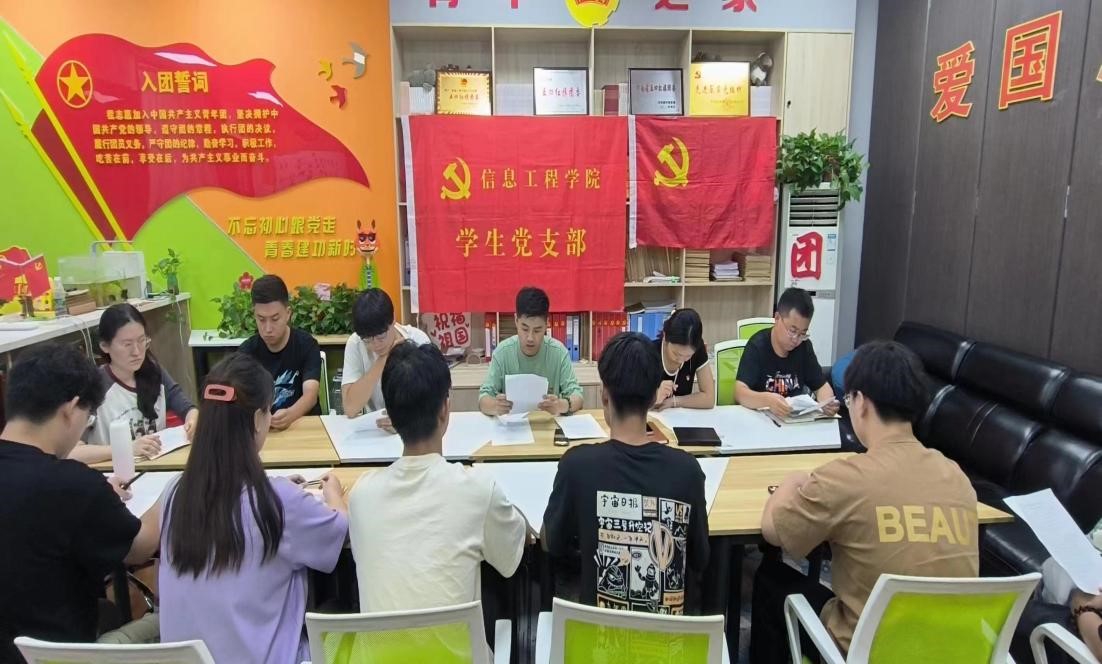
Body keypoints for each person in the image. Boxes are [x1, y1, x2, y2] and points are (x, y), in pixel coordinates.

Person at [752, 340, 978, 661]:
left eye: (849, 398)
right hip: (949, 651)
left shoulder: (846, 478)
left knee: (771, 580)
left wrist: (791, 482)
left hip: (868, 651)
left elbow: (774, 532)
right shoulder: (957, 478)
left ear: (862, 403)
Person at [158, 353, 347, 664]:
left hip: (189, 660)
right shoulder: (276, 501)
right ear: (259, 419)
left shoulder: (175, 493)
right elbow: (336, 533)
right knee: (340, 607)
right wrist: (334, 495)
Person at [0, 343, 160, 661]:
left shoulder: (74, 486)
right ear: (71, 409)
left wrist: (96, 497)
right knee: (164, 622)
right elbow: (140, 547)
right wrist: (166, 494)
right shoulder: (72, 484)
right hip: (53, 654)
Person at [349, 342, 529, 611]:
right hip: (460, 641)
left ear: (391, 416)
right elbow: (510, 558)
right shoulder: (478, 490)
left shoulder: (361, 496)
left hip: (381, 641)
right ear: (445, 410)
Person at [543, 332, 709, 614]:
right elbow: (700, 559)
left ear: (604, 396)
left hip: (597, 639)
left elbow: (552, 544)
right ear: (653, 396)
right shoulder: (688, 471)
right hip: (669, 640)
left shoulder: (577, 466)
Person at [69, 303, 198, 464]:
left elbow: (188, 409)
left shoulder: (154, 372)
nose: (136, 352)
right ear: (105, 346)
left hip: (158, 468)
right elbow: (71, 452)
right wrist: (125, 448)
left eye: (142, 341)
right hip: (113, 473)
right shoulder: (94, 386)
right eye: (127, 344)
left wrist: (193, 420)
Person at [479, 287, 582, 417]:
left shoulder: (558, 352)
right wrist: (495, 406)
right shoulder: (502, 352)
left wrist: (561, 405)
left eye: (537, 330)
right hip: (512, 426)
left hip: (547, 425)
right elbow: (484, 398)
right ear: (516, 321)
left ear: (547, 324)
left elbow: (577, 396)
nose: (530, 338)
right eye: (525, 329)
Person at [736, 287, 839, 417]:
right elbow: (739, 392)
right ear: (777, 317)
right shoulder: (757, 346)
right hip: (763, 419)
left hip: (795, 420)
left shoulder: (804, 347)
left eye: (802, 333)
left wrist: (828, 402)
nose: (796, 339)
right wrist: (767, 400)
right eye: (792, 331)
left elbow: (821, 386)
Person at [238, 274, 322, 429]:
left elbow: (310, 396)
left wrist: (291, 414)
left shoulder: (307, 345)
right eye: (261, 319)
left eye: (275, 319)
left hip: (302, 427)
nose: (268, 329)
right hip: (263, 431)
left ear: (288, 313)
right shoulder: (246, 352)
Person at [340, 288, 430, 424]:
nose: (375, 345)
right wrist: (384, 359)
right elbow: (350, 408)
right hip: (375, 426)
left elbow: (435, 400)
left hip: (415, 425)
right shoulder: (356, 343)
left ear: (393, 319)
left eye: (381, 336)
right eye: (367, 339)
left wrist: (404, 421)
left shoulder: (418, 340)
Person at [652, 308, 715, 410]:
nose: (681, 360)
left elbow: (709, 399)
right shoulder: (648, 353)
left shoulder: (698, 349)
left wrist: (674, 401)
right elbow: (629, 405)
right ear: (665, 336)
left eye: (688, 356)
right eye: (676, 354)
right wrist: (654, 397)